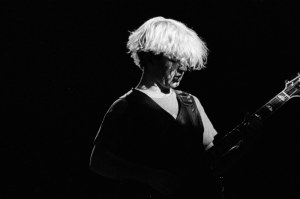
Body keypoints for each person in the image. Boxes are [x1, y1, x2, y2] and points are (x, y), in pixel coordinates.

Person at [89, 16, 262, 199]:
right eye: (174, 59)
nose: (182, 68)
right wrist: (146, 175)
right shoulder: (126, 106)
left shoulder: (191, 102)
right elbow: (98, 161)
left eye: (185, 61)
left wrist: (245, 143)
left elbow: (213, 162)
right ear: (149, 56)